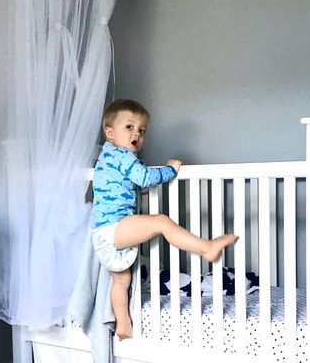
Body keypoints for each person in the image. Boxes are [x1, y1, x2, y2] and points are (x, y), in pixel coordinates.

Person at [92, 99, 238, 341]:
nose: (136, 134)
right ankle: (207, 247)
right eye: (129, 127)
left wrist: (136, 191)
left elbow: (122, 184)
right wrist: (170, 170)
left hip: (103, 234)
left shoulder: (108, 156)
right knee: (160, 221)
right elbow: (143, 176)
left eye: (142, 130)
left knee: (121, 280)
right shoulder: (123, 155)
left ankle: (123, 324)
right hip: (113, 228)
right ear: (110, 133)